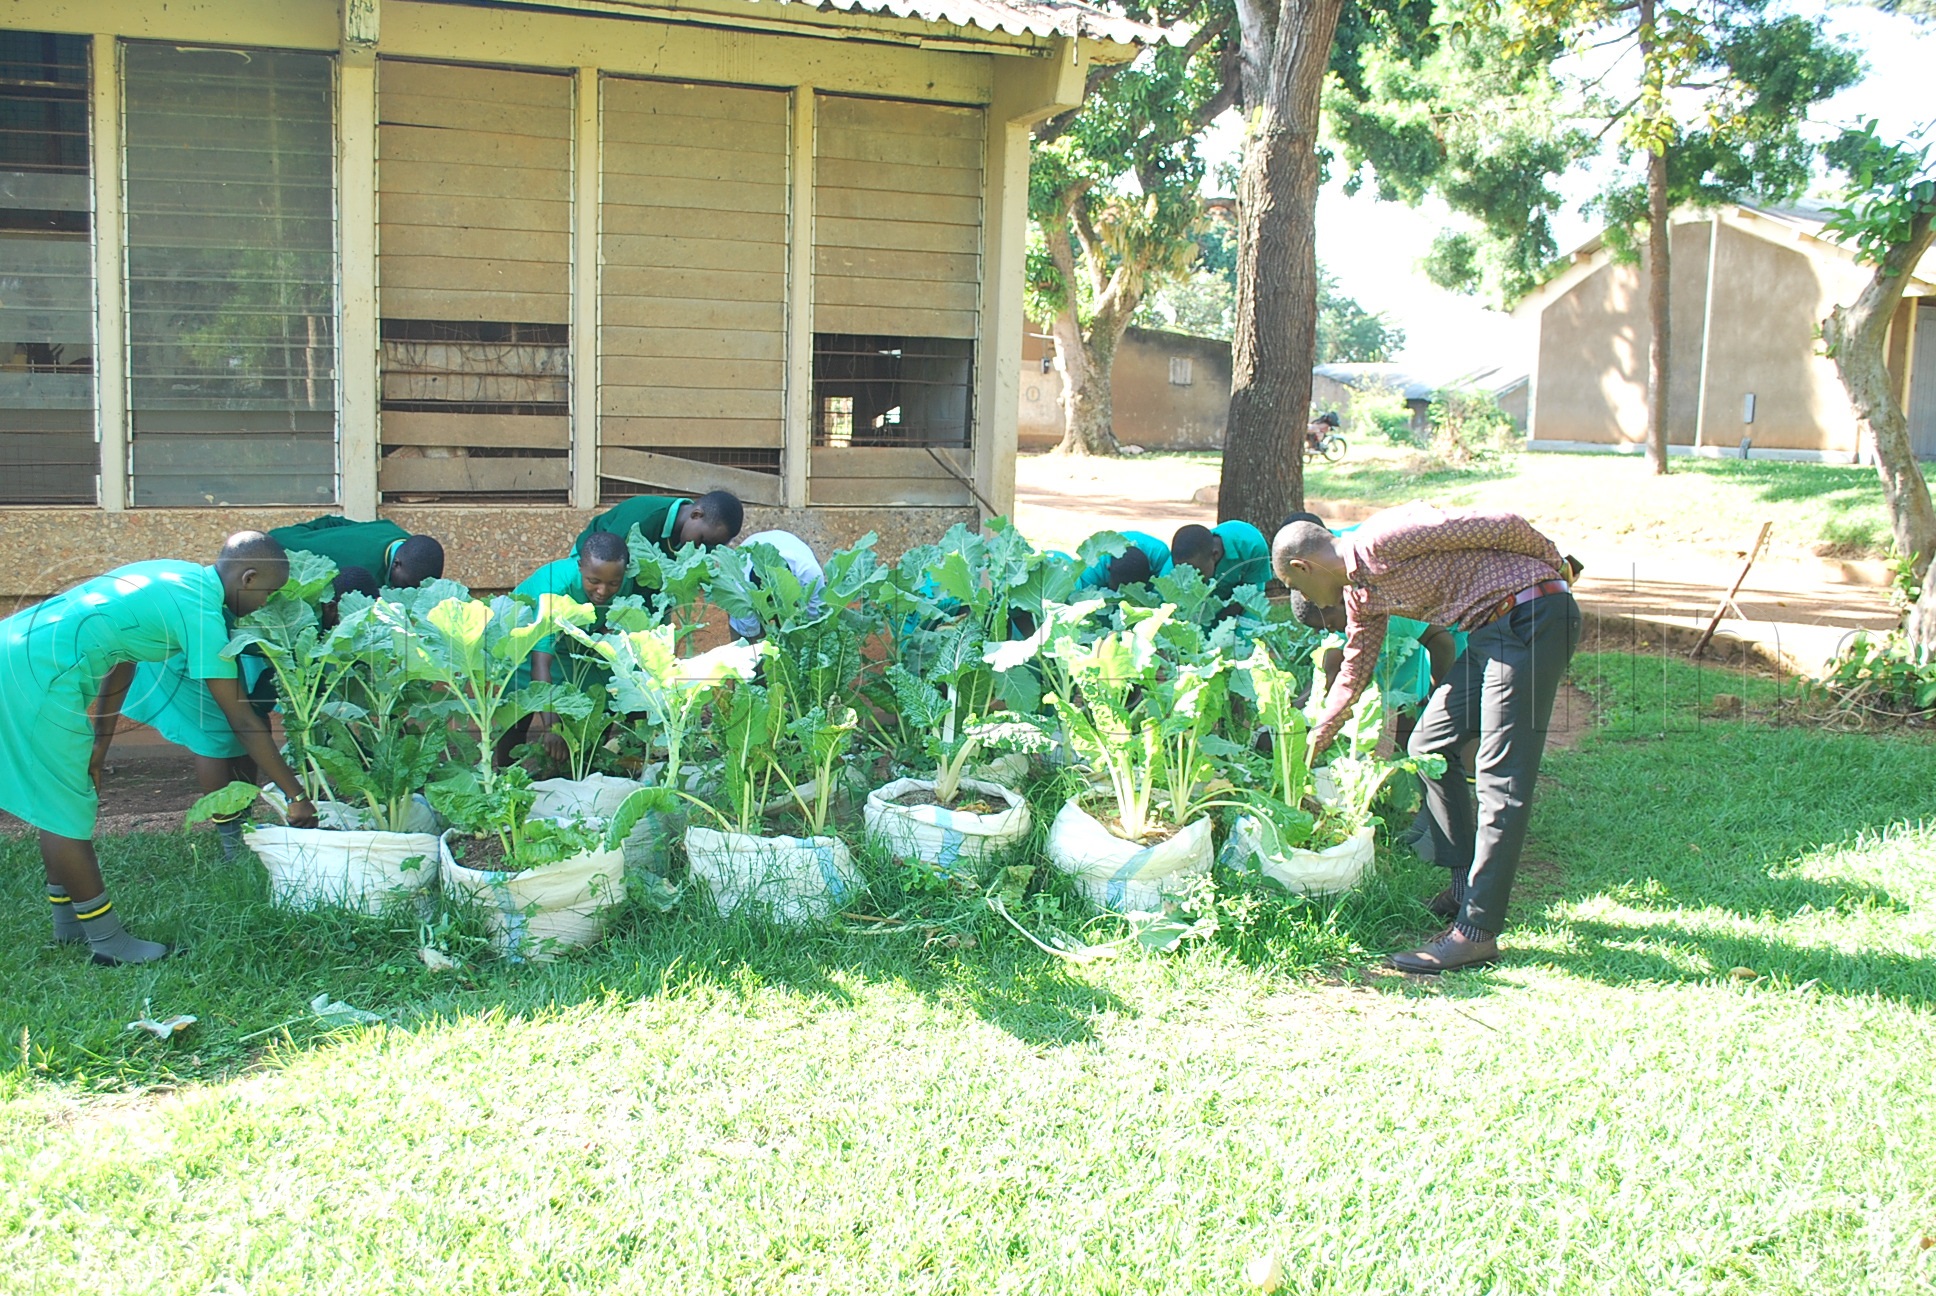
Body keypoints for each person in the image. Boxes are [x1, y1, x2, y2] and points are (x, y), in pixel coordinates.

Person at [1272, 506, 1581, 974]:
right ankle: (1463, 886)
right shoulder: (1361, 596)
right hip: (1489, 632)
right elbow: (1353, 673)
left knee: (1502, 779)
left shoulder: (1381, 539)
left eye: (1297, 589)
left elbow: (1500, 524)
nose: (1307, 600)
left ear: (1303, 567)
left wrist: (1555, 564)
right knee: (1428, 745)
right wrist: (1318, 735)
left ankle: (1476, 933)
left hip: (1531, 616)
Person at [0, 533, 320, 965]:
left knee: (61, 797)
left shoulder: (178, 576)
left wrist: (99, 747)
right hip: (39, 674)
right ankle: (109, 944)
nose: (266, 604)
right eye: (268, 592)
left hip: (19, 647)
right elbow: (242, 719)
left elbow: (121, 658)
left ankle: (69, 926)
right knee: (65, 810)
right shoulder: (202, 613)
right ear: (247, 577)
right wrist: (296, 796)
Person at [115, 567, 378, 857]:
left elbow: (261, 700)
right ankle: (232, 844)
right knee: (216, 735)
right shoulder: (293, 611)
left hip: (221, 648)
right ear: (330, 607)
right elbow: (242, 720)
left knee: (252, 723)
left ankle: (243, 822)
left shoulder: (304, 617)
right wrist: (297, 795)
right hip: (181, 655)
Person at [497, 531, 637, 764]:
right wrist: (552, 728)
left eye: (613, 583)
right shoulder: (555, 588)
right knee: (517, 711)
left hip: (574, 644)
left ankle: (587, 768)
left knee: (599, 696)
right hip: (523, 644)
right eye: (594, 581)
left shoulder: (624, 581)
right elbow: (540, 661)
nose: (603, 591)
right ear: (580, 567)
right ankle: (503, 775)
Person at [267, 515, 444, 588]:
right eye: (403, 586)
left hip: (286, 535)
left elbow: (332, 522)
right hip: (273, 559)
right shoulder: (364, 573)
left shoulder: (398, 536)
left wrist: (304, 533)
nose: (402, 592)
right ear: (396, 564)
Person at [572, 490, 742, 558]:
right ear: (696, 515)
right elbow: (606, 560)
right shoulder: (643, 518)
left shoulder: (697, 536)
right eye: (702, 540)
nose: (701, 549)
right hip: (590, 558)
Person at [726, 531, 827, 640]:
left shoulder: (809, 575)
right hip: (743, 583)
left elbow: (815, 621)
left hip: (788, 543)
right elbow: (749, 639)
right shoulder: (741, 587)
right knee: (742, 647)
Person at [1172, 520, 1271, 599]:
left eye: (1198, 573)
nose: (1192, 580)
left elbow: (1252, 598)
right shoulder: (1172, 567)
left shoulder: (1253, 547)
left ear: (1215, 555)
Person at [1075, 530, 1173, 593]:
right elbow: (1084, 599)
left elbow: (1161, 590)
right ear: (1108, 568)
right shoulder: (1093, 565)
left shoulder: (1160, 555)